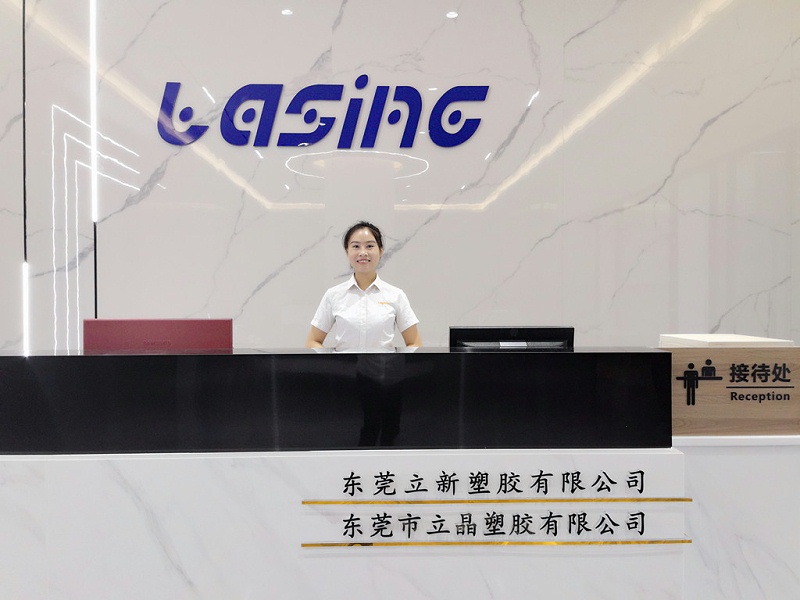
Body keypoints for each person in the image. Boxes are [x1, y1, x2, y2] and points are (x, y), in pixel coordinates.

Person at [306, 221, 422, 351]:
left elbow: (414, 343)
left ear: (380, 251)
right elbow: (313, 341)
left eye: (369, 246)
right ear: (347, 251)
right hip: (345, 365)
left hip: (384, 365)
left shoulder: (396, 295)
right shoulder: (333, 295)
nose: (363, 252)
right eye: (356, 246)